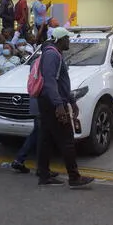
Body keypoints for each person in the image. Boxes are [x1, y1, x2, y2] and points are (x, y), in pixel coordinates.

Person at [36, 27, 94, 188]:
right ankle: (74, 177)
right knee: (67, 140)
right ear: (60, 40)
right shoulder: (52, 55)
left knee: (46, 139)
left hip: (50, 101)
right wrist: (59, 105)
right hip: (52, 103)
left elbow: (61, 82)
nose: (69, 41)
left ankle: (44, 174)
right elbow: (50, 82)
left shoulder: (54, 53)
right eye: (67, 39)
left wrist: (71, 101)